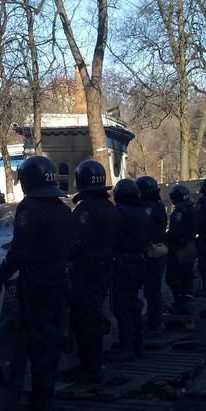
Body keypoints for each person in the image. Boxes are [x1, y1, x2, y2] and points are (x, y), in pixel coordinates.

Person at [0, 155, 72, 411]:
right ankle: (46, 399)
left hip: (38, 284)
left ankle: (41, 405)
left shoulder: (29, 208)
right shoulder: (63, 209)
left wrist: (3, 271)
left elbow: (21, 250)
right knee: (53, 339)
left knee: (39, 345)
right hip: (60, 281)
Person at [69, 160, 119, 382]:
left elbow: (78, 241)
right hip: (103, 267)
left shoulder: (86, 209)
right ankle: (93, 362)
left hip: (86, 271)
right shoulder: (109, 207)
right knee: (95, 314)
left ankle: (91, 365)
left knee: (86, 319)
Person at [111, 178, 148, 357]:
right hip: (138, 261)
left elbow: (113, 239)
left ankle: (127, 344)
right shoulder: (142, 211)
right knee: (134, 303)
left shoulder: (119, 213)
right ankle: (138, 342)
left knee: (122, 305)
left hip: (122, 264)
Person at [136, 176, 168, 332]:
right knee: (154, 289)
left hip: (150, 251)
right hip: (159, 250)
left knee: (151, 290)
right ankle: (156, 320)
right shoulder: (159, 206)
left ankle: (155, 322)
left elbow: (144, 231)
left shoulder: (147, 208)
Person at [165, 184, 198, 314]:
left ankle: (179, 302)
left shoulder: (180, 212)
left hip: (179, 246)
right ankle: (187, 300)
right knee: (187, 275)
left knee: (173, 276)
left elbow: (176, 231)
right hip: (190, 244)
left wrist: (166, 237)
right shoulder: (192, 209)